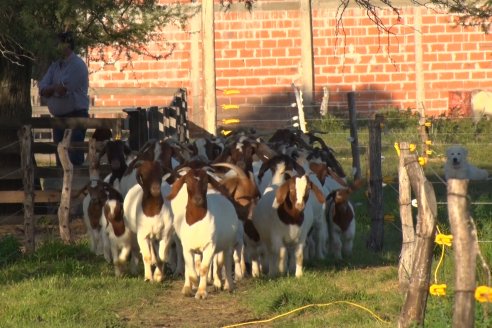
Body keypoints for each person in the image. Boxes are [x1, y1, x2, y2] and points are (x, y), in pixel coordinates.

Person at [38, 31, 89, 166]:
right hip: (59, 119)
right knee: (60, 156)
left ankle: (77, 185)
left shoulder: (77, 65)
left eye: (58, 44)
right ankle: (61, 185)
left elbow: (62, 90)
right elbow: (42, 88)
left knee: (74, 155)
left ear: (67, 45)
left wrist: (52, 90)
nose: (56, 47)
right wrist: (52, 89)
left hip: (75, 117)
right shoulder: (55, 66)